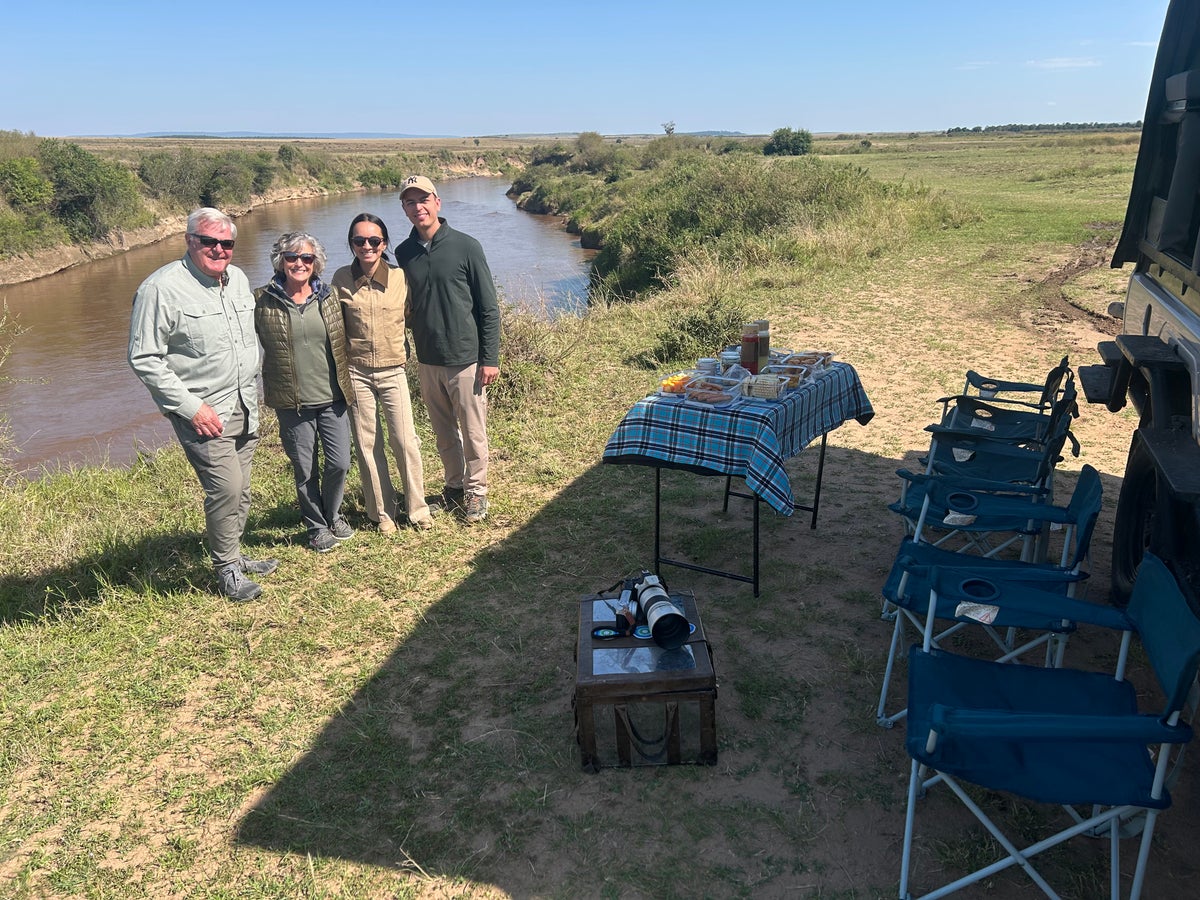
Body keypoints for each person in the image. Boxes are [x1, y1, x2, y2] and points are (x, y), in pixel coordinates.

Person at [128, 207, 275, 602]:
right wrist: (191, 407)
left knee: (242, 488)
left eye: (226, 243)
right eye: (208, 241)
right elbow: (144, 358)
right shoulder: (161, 289)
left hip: (244, 402)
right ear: (189, 240)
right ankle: (225, 569)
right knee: (225, 488)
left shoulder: (239, 279)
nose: (218, 249)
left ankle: (236, 555)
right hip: (205, 413)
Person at [394, 175, 501, 524]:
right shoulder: (403, 252)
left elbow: (488, 307)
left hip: (466, 359)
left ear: (437, 202)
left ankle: (477, 492)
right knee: (443, 433)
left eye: (423, 199)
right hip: (427, 359)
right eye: (410, 202)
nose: (418, 207)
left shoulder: (467, 246)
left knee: (473, 432)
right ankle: (455, 486)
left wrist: (491, 359)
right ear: (404, 209)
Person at [330, 213, 433, 533]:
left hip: (393, 372)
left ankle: (417, 509)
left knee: (405, 442)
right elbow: (334, 328)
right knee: (367, 444)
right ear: (351, 245)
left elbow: (413, 317)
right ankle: (383, 513)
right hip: (357, 373)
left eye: (374, 240)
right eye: (359, 241)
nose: (367, 246)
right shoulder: (341, 279)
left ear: (384, 244)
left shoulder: (401, 279)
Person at [254, 232, 356, 553]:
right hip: (292, 402)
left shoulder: (329, 297)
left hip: (333, 397)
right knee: (305, 468)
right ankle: (315, 526)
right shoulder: (261, 300)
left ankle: (332, 513)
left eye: (307, 258)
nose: (299, 263)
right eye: (292, 257)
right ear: (280, 262)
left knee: (339, 463)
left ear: (316, 263)